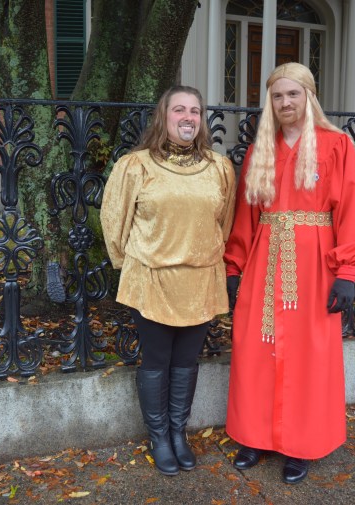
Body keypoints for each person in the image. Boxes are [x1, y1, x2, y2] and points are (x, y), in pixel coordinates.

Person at [223, 63, 355, 484]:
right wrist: (234, 266)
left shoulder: (335, 145)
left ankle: (301, 443)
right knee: (255, 348)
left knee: (310, 354)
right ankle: (254, 436)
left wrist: (347, 271)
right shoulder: (260, 150)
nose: (285, 102)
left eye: (293, 94)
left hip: (314, 266)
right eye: (277, 96)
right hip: (264, 261)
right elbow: (246, 215)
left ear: (309, 96)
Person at [100, 86, 236, 476]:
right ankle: (159, 437)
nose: (188, 117)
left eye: (195, 110)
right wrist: (134, 264)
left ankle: (178, 433)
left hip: (200, 280)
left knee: (187, 361)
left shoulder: (219, 168)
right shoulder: (136, 165)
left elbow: (224, 224)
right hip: (152, 279)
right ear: (164, 116)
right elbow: (114, 221)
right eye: (179, 109)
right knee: (157, 360)